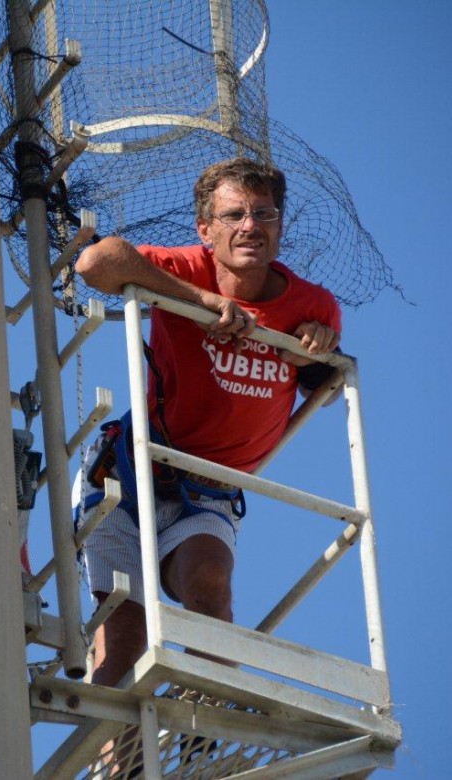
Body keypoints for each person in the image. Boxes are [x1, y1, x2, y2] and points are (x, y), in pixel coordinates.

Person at [73, 157, 341, 745]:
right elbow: (96, 261)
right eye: (235, 214)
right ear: (205, 230)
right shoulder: (188, 267)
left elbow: (326, 384)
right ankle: (119, 763)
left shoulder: (312, 307)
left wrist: (315, 353)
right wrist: (196, 299)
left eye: (264, 214)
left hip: (209, 489)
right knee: (124, 637)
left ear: (280, 225)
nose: (251, 226)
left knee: (210, 589)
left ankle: (203, 734)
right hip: (125, 476)